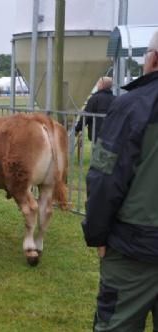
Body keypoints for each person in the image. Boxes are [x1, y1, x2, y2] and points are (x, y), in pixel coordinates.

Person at [82, 30, 158, 331]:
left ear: (153, 59)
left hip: (133, 253)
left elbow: (104, 179)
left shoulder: (132, 106)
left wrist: (97, 234)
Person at [75, 77, 115, 142]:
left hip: (97, 135)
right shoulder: (116, 99)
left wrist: (77, 129)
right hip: (112, 135)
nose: (97, 85)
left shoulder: (94, 99)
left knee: (97, 151)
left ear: (102, 85)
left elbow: (86, 116)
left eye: (98, 83)